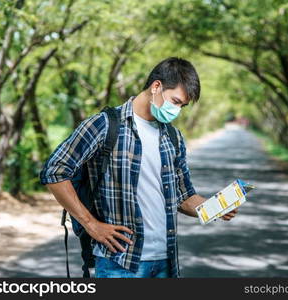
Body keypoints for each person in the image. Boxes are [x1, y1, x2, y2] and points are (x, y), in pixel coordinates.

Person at [39, 57, 238, 278]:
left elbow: (183, 198)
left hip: (166, 261)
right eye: (175, 101)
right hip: (119, 262)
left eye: (182, 106)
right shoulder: (105, 125)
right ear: (156, 87)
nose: (177, 110)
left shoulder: (173, 137)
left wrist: (216, 207)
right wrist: (91, 224)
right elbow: (55, 170)